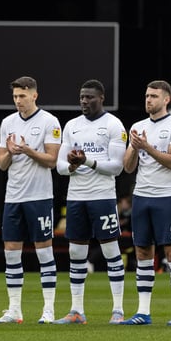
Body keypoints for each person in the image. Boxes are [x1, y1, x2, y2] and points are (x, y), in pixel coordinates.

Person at [55, 79, 127, 325]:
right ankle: (76, 310)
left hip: (103, 197)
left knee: (110, 250)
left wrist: (87, 162)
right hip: (76, 197)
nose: (84, 101)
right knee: (76, 252)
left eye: (89, 97)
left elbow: (117, 167)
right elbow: (60, 166)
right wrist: (73, 165)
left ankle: (118, 310)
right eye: (82, 97)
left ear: (101, 98)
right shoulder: (72, 125)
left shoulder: (113, 125)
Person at [120, 80, 171, 326]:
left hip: (166, 197)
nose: (148, 100)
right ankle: (143, 311)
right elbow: (127, 167)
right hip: (142, 196)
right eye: (147, 95)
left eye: (153, 96)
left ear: (166, 100)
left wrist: (146, 146)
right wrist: (133, 147)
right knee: (142, 251)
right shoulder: (138, 126)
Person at [0, 76, 61, 324]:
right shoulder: (7, 123)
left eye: (22, 96)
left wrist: (29, 150)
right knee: (11, 252)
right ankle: (14, 310)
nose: (18, 101)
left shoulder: (49, 121)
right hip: (14, 197)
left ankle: (49, 309)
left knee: (44, 252)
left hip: (39, 197)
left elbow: (52, 160)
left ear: (34, 95)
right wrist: (10, 153)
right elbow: (1, 164)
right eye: (15, 97)